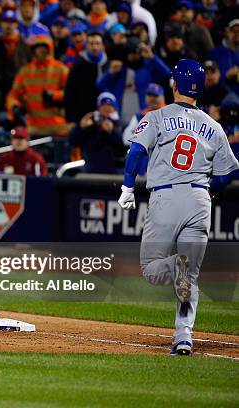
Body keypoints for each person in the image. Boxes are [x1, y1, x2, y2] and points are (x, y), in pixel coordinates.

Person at [118, 59, 239, 356]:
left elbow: (135, 151)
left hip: (166, 198)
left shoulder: (158, 116)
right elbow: (227, 172)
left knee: (151, 270)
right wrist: (210, 191)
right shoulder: (214, 126)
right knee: (190, 278)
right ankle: (183, 336)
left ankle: (175, 265)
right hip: (199, 200)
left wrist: (127, 187)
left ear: (174, 85)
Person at [97, 36, 170, 126]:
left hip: (144, 117)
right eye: (130, 53)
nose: (134, 56)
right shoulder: (119, 69)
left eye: (136, 53)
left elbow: (168, 76)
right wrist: (110, 73)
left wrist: (153, 58)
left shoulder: (149, 67)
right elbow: (100, 86)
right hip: (120, 118)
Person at [7, 34, 69, 137]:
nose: (42, 50)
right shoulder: (25, 71)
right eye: (38, 48)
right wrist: (14, 106)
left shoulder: (61, 69)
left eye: (45, 47)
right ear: (33, 50)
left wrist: (55, 95)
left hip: (59, 128)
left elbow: (72, 94)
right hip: (34, 128)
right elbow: (14, 94)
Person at [0, 9, 30, 111]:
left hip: (20, 91)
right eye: (5, 21)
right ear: (1, 23)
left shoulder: (25, 46)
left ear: (17, 24)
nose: (8, 25)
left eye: (12, 22)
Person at [69, 92, 124, 174]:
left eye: (109, 105)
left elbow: (123, 148)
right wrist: (80, 127)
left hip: (115, 171)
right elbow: (73, 141)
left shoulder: (121, 124)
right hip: (91, 170)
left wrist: (112, 132)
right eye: (103, 105)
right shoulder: (91, 125)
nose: (106, 108)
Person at [64, 30, 107, 124]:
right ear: (87, 46)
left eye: (97, 43)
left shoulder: (108, 65)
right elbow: (69, 92)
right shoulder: (79, 65)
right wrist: (70, 118)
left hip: (105, 113)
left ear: (103, 46)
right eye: (91, 43)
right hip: (82, 114)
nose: (94, 47)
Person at [207, 19, 239, 94]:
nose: (237, 34)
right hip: (219, 96)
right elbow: (208, 77)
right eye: (234, 31)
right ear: (227, 32)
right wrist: (226, 75)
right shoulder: (215, 52)